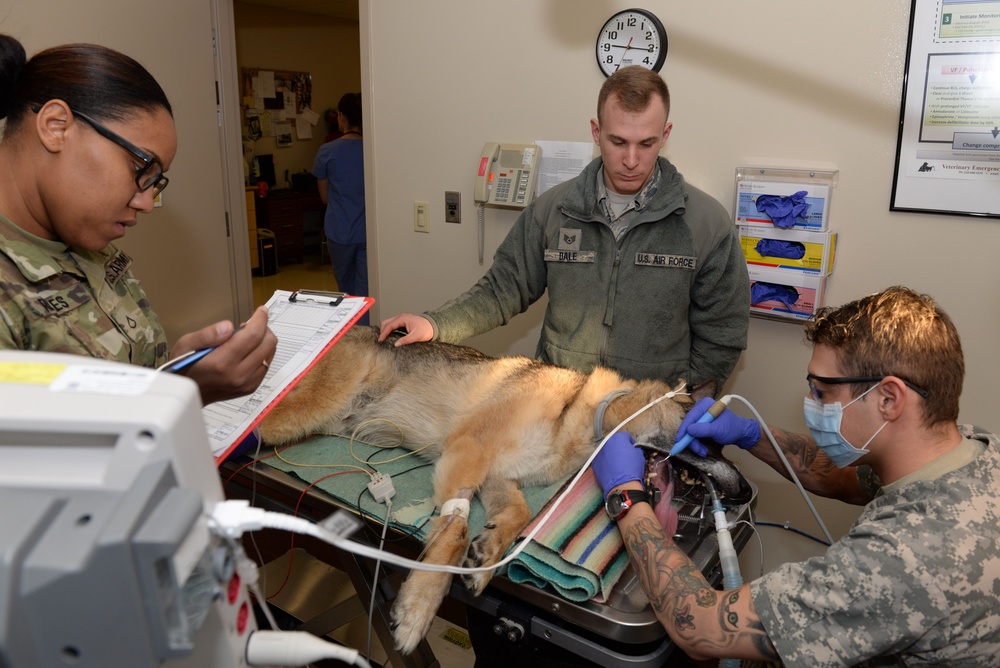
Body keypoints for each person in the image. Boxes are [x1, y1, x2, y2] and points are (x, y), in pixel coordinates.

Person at [593, 286, 1000, 666]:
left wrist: (625, 496)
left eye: (822, 392)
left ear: (889, 399)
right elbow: (845, 479)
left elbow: (700, 626)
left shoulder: (902, 558)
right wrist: (751, 434)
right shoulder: (973, 449)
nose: (810, 403)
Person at [379, 65, 749, 390]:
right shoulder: (553, 210)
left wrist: (680, 406)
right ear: (596, 131)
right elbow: (501, 290)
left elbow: (723, 335)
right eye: (618, 141)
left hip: (648, 415)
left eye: (646, 143)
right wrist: (435, 324)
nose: (632, 160)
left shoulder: (706, 223)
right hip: (560, 407)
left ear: (665, 136)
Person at [0, 35, 277, 406]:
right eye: (140, 167)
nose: (147, 202)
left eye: (155, 181)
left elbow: (121, 383)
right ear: (55, 126)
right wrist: (185, 395)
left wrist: (174, 371)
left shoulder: (88, 248)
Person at [312, 92, 367, 321]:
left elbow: (324, 197)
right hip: (367, 233)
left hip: (339, 232)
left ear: (341, 117)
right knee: (365, 293)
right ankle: (367, 339)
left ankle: (350, 335)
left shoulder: (328, 151)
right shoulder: (373, 150)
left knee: (346, 291)